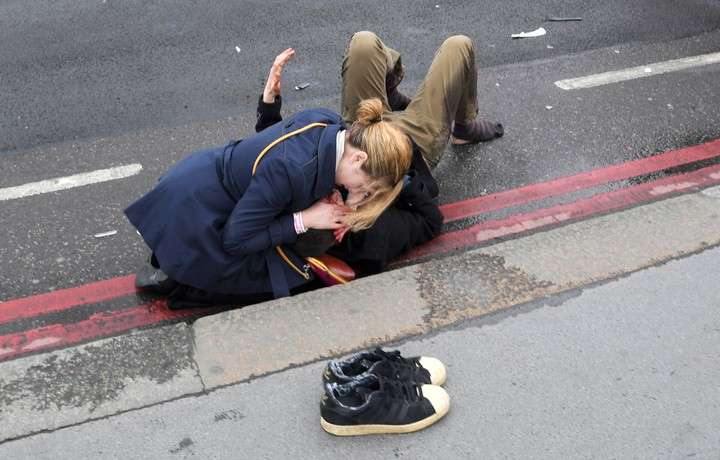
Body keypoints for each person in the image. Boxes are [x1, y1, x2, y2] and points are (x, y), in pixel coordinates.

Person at [125, 84, 412, 307]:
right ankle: (179, 274)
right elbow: (236, 240)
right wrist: (305, 218)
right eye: (365, 187)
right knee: (288, 279)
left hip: (202, 181)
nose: (359, 193)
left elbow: (274, 150)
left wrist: (338, 198)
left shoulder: (328, 122)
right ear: (358, 158)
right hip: (198, 215)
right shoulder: (290, 171)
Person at [257, 32, 504, 275]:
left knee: (363, 43)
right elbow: (431, 221)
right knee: (459, 46)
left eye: (322, 203)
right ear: (339, 230)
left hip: (363, 129)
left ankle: (389, 97)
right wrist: (397, 178)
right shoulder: (373, 241)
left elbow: (276, 154)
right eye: (336, 208)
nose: (332, 198)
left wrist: (269, 103)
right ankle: (464, 125)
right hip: (411, 145)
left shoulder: (299, 197)